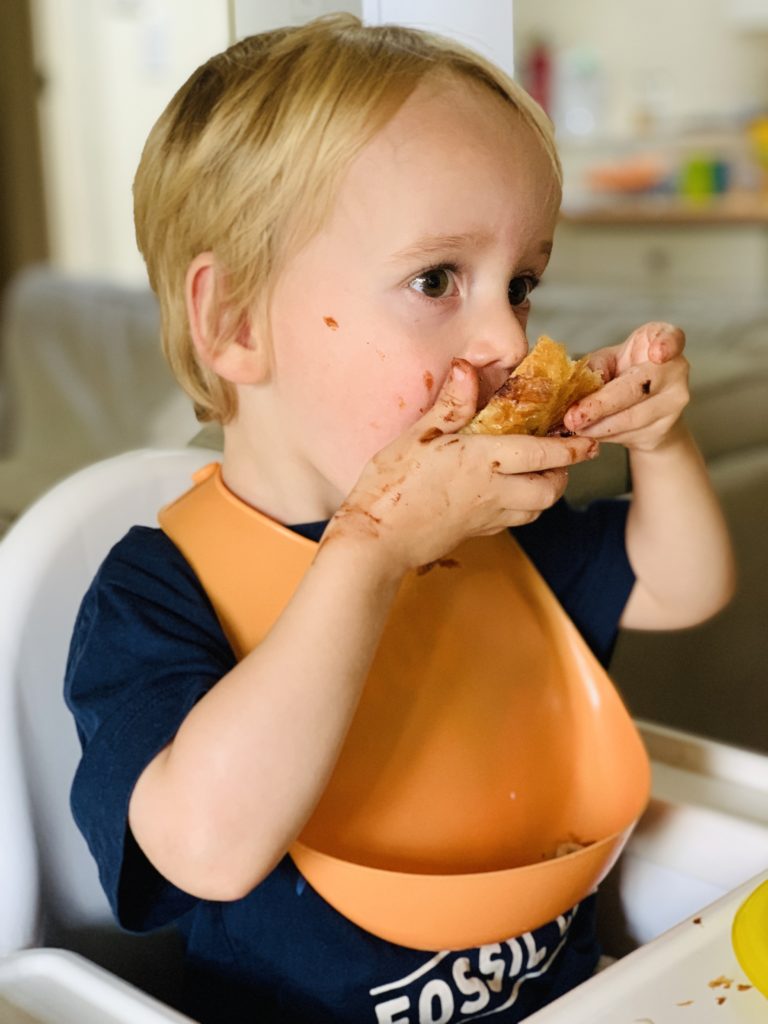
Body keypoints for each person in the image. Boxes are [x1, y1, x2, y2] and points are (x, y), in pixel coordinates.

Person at [65, 14, 735, 1023]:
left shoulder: (495, 537)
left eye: (521, 283)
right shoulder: (158, 593)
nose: (511, 333)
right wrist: (370, 550)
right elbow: (206, 844)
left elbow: (685, 585)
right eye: (437, 280)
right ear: (237, 324)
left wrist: (662, 442)